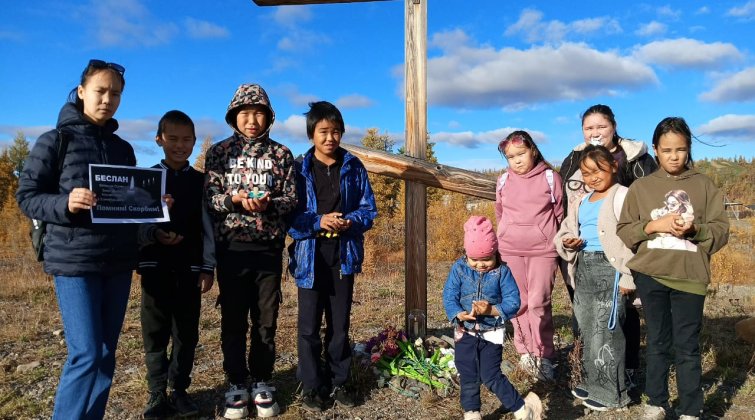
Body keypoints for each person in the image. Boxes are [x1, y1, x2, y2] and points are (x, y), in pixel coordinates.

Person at [16, 59, 137, 419]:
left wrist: (154, 205)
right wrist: (65, 203)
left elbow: (129, 203)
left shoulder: (123, 148)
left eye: (115, 94)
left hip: (118, 261)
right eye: (101, 91)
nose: (108, 100)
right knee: (86, 353)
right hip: (74, 262)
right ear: (82, 92)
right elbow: (27, 196)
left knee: (106, 353)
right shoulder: (55, 141)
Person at [617, 117, 729, 420]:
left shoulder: (703, 185)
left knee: (687, 344)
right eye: (666, 150)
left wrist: (695, 230)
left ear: (688, 148)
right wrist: (654, 225)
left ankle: (690, 408)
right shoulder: (641, 187)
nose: (674, 156)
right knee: (657, 340)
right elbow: (625, 230)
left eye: (680, 149)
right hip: (651, 274)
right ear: (655, 150)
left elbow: (721, 231)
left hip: (690, 277)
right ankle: (656, 402)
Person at [205, 83, 297, 419]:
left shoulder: (281, 154)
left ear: (269, 117)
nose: (252, 120)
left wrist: (269, 203)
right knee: (232, 319)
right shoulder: (219, 153)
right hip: (231, 248)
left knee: (266, 319)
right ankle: (235, 382)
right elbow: (210, 198)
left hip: (268, 250)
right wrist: (234, 200)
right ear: (233, 116)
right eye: (244, 113)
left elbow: (292, 199)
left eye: (258, 113)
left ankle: (261, 379)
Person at [287, 101, 377, 412]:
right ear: (311, 134)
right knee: (309, 326)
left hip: (344, 254)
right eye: (323, 131)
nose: (330, 137)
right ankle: (312, 385)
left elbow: (368, 210)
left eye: (336, 131)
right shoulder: (298, 169)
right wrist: (319, 221)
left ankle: (340, 380)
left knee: (339, 324)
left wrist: (349, 221)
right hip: (310, 257)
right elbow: (289, 217)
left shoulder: (353, 167)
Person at [559, 104, 656, 386]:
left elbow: (648, 203)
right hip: (583, 251)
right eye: (588, 128)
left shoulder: (636, 158)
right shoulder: (574, 159)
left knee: (622, 313)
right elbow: (567, 204)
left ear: (613, 126)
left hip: (620, 251)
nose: (595, 132)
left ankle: (626, 370)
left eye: (601, 126)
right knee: (585, 311)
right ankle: (587, 370)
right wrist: (567, 239)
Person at [137, 110, 215, 418]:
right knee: (154, 332)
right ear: (159, 140)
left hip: (190, 269)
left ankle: (179, 389)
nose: (180, 146)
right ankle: (156, 393)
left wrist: (208, 267)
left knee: (186, 334)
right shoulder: (147, 179)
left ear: (195, 142)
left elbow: (208, 228)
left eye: (186, 140)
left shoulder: (201, 182)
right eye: (173, 139)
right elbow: (134, 222)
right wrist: (154, 233)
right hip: (154, 267)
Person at [554, 145, 635, 411]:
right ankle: (592, 382)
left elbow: (633, 240)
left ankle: (612, 394)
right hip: (584, 267)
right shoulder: (581, 200)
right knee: (587, 326)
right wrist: (568, 241)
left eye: (598, 170)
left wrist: (628, 276)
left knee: (607, 330)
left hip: (610, 269)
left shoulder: (622, 196)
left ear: (613, 166)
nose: (592, 177)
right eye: (586, 173)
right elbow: (566, 230)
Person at [442, 216, 542, 420]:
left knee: (491, 375)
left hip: (492, 332)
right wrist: (457, 313)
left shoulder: (502, 272)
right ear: (466, 254)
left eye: (487, 259)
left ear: (496, 253)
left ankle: (523, 409)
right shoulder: (459, 269)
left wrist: (492, 310)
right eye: (474, 260)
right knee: (467, 373)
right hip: (464, 331)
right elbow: (449, 296)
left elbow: (513, 302)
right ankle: (472, 412)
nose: (480, 265)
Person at [495, 130, 563, 381]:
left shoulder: (550, 177)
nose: (517, 160)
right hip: (510, 250)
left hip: (543, 251)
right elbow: (500, 212)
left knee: (538, 302)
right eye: (510, 157)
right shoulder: (503, 180)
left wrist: (551, 238)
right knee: (519, 302)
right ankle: (525, 351)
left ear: (533, 150)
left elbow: (559, 212)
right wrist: (505, 235)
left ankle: (544, 355)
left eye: (521, 154)